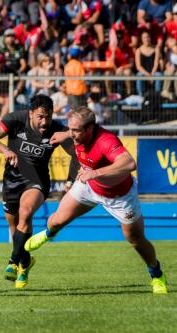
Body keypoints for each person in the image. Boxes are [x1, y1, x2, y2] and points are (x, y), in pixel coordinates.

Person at [24, 106, 169, 294]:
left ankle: (157, 275)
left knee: (135, 239)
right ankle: (49, 235)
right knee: (56, 220)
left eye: (76, 130)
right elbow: (73, 132)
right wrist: (65, 135)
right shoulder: (75, 133)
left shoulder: (105, 141)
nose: (72, 134)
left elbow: (129, 163)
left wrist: (96, 173)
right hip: (88, 187)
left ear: (90, 128)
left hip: (120, 196)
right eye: (70, 129)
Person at [0, 94, 78, 289]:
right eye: (40, 117)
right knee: (14, 227)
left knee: (25, 213)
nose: (44, 122)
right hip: (11, 180)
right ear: (31, 113)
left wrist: (69, 181)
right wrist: (5, 150)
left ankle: (12, 263)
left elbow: (76, 153)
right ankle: (25, 263)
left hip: (37, 181)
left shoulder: (57, 129)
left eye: (48, 117)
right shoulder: (15, 119)